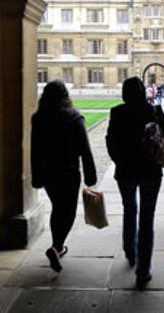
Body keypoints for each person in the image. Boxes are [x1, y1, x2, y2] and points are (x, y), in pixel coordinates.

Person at [106, 77, 164, 289]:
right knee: (146, 219)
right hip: (150, 173)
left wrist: (119, 161)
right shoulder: (153, 111)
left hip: (125, 171)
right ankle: (143, 272)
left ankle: (130, 250)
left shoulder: (117, 112)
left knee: (129, 209)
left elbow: (110, 142)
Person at [31, 79, 98, 273]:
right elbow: (85, 149)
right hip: (68, 171)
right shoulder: (74, 117)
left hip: (49, 171)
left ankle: (56, 246)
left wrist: (37, 176)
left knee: (57, 208)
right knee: (67, 211)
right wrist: (90, 176)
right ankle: (57, 246)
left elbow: (35, 150)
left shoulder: (38, 117)